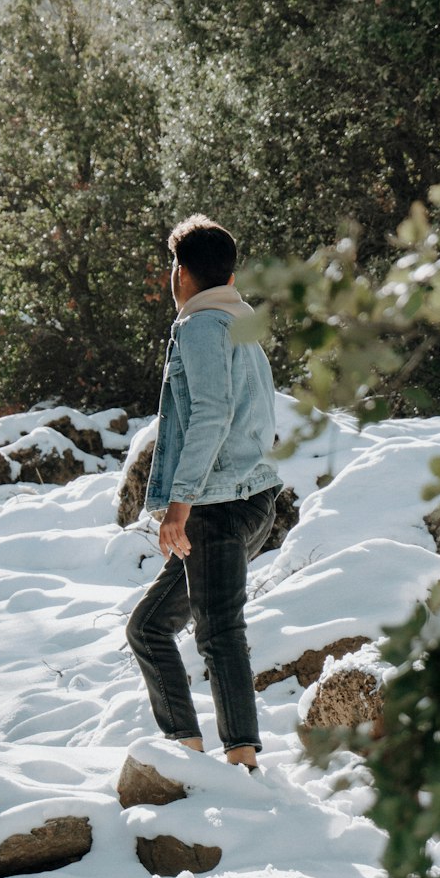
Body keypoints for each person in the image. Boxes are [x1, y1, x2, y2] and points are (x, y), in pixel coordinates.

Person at [126, 215, 282, 772]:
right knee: (149, 628)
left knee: (219, 631)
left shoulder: (200, 327)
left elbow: (212, 414)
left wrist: (179, 505)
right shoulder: (243, 326)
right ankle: (186, 749)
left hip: (218, 505)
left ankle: (240, 760)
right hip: (253, 500)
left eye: (173, 267)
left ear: (181, 273)